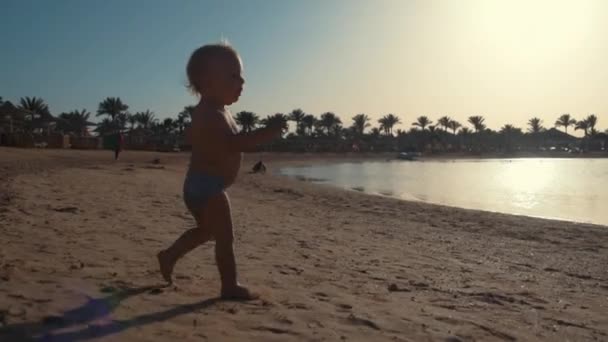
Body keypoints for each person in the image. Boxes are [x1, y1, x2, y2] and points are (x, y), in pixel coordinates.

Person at [157, 43, 282, 300]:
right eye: (233, 75)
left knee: (206, 231)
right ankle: (229, 286)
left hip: (200, 186)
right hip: (207, 186)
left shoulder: (221, 112)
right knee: (225, 237)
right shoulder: (209, 114)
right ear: (207, 81)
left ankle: (169, 255)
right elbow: (234, 144)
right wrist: (267, 133)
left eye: (241, 75)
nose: (242, 80)